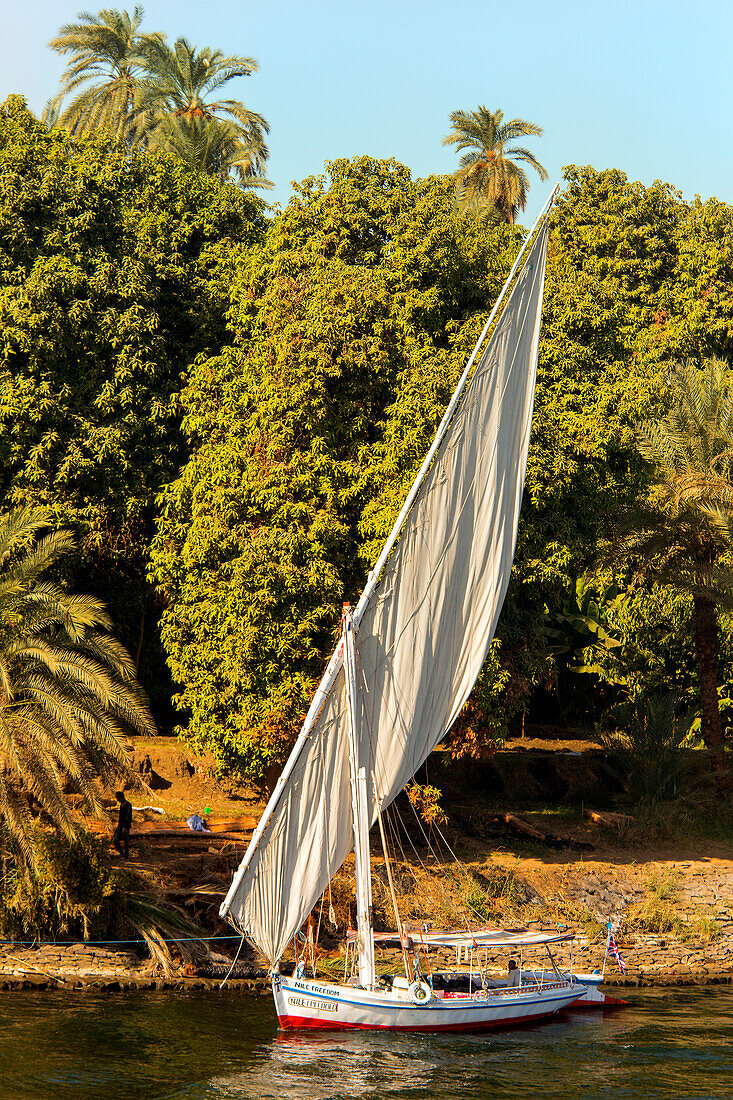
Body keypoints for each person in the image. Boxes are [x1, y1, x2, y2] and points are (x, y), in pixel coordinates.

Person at [113, 791, 133, 858]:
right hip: (120, 825)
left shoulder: (128, 805)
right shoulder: (122, 805)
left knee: (126, 841)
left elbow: (128, 817)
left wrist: (125, 827)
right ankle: (122, 853)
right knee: (115, 839)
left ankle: (126, 855)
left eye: (117, 798)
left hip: (125, 826)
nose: (117, 800)